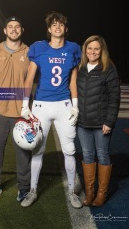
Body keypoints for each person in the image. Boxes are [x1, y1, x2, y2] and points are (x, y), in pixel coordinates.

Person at [20, 11, 82, 208]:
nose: (57, 27)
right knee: (37, 150)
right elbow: (29, 79)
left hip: (64, 105)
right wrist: (24, 104)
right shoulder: (38, 48)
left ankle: (72, 191)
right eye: (54, 25)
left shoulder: (73, 48)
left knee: (70, 151)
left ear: (65, 28)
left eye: (61, 25)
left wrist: (75, 105)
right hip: (41, 105)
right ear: (49, 29)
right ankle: (32, 190)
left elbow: (73, 81)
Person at [0, 16, 31, 201]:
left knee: (23, 153)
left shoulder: (30, 52)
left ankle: (24, 188)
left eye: (17, 27)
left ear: (22, 30)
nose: (14, 29)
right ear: (5, 30)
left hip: (21, 112)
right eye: (10, 27)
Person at [76, 35, 120, 207]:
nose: (92, 51)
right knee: (87, 155)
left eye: (96, 48)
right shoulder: (79, 68)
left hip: (101, 123)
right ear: (85, 50)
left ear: (102, 51)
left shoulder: (108, 69)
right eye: (89, 48)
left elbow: (114, 97)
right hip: (82, 123)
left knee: (102, 155)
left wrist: (109, 121)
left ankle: (101, 194)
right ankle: (89, 193)